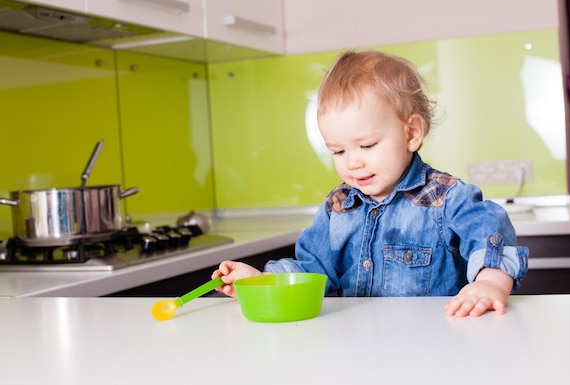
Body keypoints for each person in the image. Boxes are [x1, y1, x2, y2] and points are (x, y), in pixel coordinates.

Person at [212, 49, 529, 317]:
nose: (352, 161)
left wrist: (489, 283)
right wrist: (262, 280)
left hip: (434, 347)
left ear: (411, 133)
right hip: (355, 349)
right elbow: (312, 268)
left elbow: (490, 238)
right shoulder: (338, 207)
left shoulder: (446, 198)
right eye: (338, 150)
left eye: (366, 146)